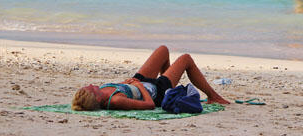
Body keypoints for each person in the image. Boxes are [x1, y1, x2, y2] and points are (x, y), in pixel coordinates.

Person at [71, 45, 230, 111]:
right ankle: (213, 96)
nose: (91, 84)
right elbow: (149, 105)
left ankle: (173, 91)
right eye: (90, 88)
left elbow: (121, 88)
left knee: (163, 50)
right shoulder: (115, 101)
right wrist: (139, 86)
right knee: (186, 59)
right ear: (96, 98)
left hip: (139, 84)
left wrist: (126, 83)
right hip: (156, 92)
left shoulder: (102, 92)